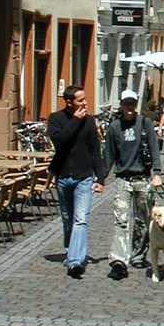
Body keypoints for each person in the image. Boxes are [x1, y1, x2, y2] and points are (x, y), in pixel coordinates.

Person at [104, 89, 163, 279]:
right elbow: (108, 155)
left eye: (132, 103)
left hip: (142, 179)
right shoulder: (114, 127)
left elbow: (154, 149)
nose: (129, 107)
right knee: (121, 221)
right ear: (121, 105)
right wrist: (100, 179)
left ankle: (138, 254)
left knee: (143, 220)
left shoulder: (144, 123)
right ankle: (119, 260)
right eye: (126, 103)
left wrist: (157, 174)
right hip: (122, 179)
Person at [47, 85, 106, 278]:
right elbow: (60, 141)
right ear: (69, 102)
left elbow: (95, 151)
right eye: (81, 100)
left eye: (85, 99)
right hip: (63, 176)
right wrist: (75, 121)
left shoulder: (90, 121)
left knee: (81, 219)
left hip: (83, 177)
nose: (85, 103)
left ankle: (75, 261)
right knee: (67, 218)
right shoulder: (55, 119)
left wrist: (101, 177)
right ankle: (69, 250)